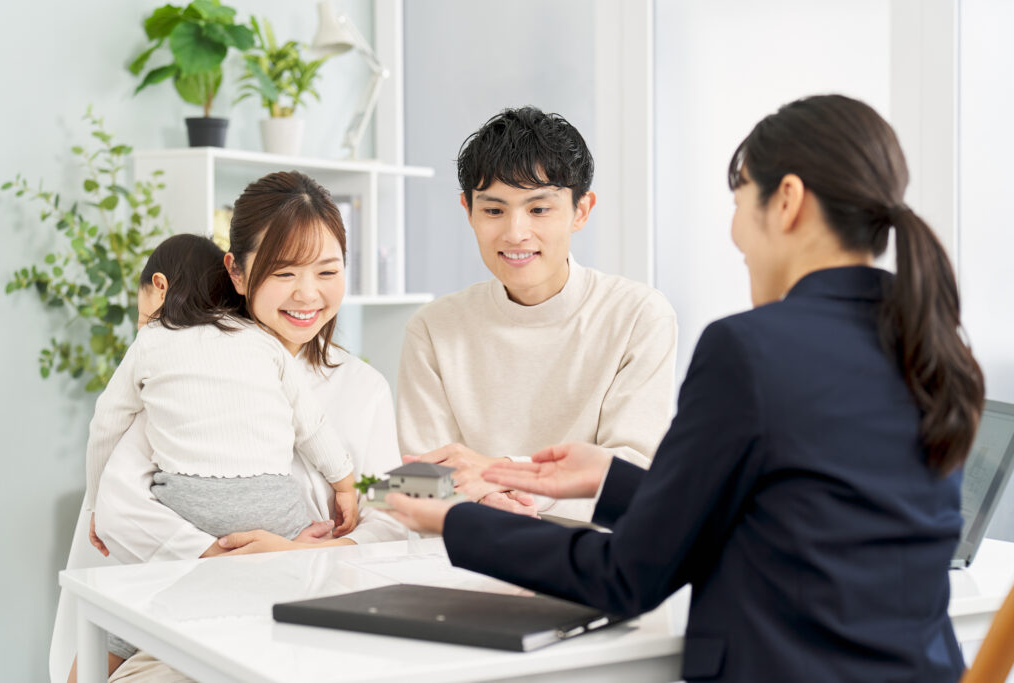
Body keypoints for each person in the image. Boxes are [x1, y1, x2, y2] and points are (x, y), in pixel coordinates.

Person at [386, 95, 985, 682]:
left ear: (787, 202)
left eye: (739, 200)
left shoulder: (748, 349)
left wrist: (454, 523)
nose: (734, 233)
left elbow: (629, 576)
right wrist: (613, 481)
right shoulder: (931, 344)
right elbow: (790, 519)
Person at [62, 171, 407, 682]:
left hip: (312, 624)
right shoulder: (186, 375)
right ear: (238, 273)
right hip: (184, 624)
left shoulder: (365, 389)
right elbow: (119, 506)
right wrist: (224, 559)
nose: (307, 294)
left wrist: (289, 555)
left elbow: (391, 524)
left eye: (327, 272)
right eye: (284, 273)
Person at [396, 106, 678, 520]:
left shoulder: (638, 315)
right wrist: (488, 500)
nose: (515, 233)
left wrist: (502, 475)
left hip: (593, 559)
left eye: (539, 209)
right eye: (493, 210)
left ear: (581, 211)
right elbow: (416, 483)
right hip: (465, 553)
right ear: (468, 211)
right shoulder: (434, 328)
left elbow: (635, 472)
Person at [86, 233, 358, 545]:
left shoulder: (150, 340)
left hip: (188, 505)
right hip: (271, 505)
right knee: (295, 545)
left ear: (159, 286)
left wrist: (97, 505)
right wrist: (344, 485)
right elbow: (311, 424)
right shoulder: (262, 340)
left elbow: (106, 424)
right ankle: (294, 541)